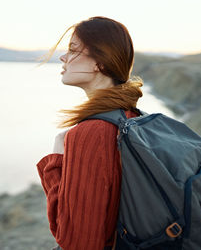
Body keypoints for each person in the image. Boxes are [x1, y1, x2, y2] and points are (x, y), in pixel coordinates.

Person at [36, 16, 144, 250]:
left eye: (73, 50)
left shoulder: (92, 133)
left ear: (100, 62)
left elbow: (77, 242)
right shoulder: (133, 117)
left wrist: (56, 160)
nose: (63, 58)